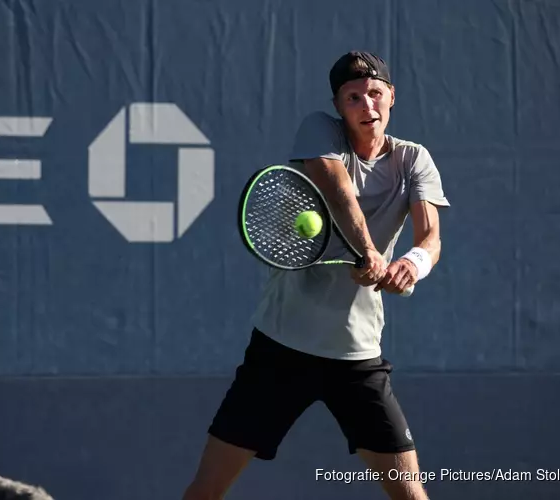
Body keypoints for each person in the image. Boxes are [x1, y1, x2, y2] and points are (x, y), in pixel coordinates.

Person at [182, 51, 450, 500]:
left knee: (410, 493)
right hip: (281, 349)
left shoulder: (413, 160)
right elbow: (338, 187)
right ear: (338, 105)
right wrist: (368, 251)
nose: (367, 106)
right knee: (208, 488)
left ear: (392, 97)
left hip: (357, 357)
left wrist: (410, 264)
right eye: (353, 98)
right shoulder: (319, 130)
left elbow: (431, 238)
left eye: (375, 94)